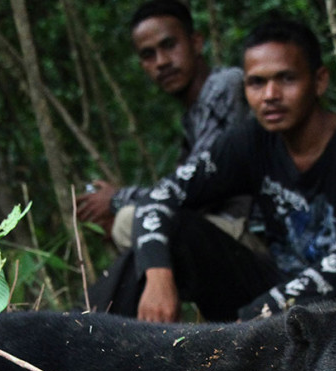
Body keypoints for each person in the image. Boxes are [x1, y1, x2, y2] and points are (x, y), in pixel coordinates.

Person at [89, 18, 336, 323]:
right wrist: (157, 276)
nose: (270, 95)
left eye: (286, 79)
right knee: (171, 234)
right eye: (256, 82)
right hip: (269, 290)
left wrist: (253, 318)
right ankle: (81, 334)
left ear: (319, 81)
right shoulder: (252, 140)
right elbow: (160, 197)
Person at [76, 0, 251, 251]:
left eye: (169, 46)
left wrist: (117, 200)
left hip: (252, 234)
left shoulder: (225, 87)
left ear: (196, 42)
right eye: (149, 55)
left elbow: (199, 184)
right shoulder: (192, 118)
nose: (161, 62)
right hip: (223, 236)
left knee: (132, 222)